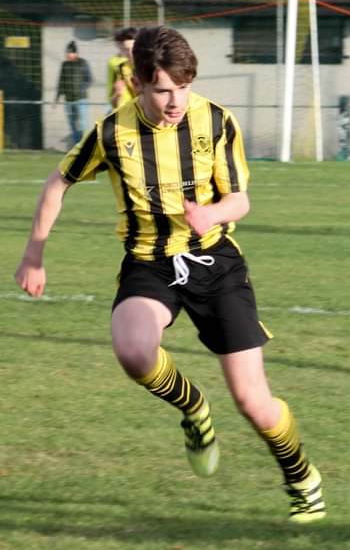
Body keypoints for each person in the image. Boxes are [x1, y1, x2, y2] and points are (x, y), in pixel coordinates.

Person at [14, 26, 326, 523]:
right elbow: (58, 182)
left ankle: (301, 477)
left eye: (183, 86)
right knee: (133, 350)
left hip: (215, 263)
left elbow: (240, 199)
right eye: (162, 89)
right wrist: (34, 254)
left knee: (252, 401)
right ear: (138, 84)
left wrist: (214, 214)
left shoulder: (216, 121)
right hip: (149, 263)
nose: (176, 99)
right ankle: (194, 407)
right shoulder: (112, 132)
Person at [55, 40, 92, 146]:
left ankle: (85, 144)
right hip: (68, 100)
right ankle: (77, 145)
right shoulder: (64, 65)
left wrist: (82, 89)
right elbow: (60, 81)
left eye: (70, 52)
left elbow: (89, 79)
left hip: (81, 99)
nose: (68, 54)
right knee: (72, 124)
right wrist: (56, 98)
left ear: (75, 53)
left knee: (83, 123)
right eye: (67, 52)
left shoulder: (83, 63)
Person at [107, 27, 137, 110]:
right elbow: (113, 103)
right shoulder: (119, 68)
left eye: (133, 48)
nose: (130, 53)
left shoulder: (150, 67)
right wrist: (118, 94)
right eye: (126, 49)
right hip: (126, 115)